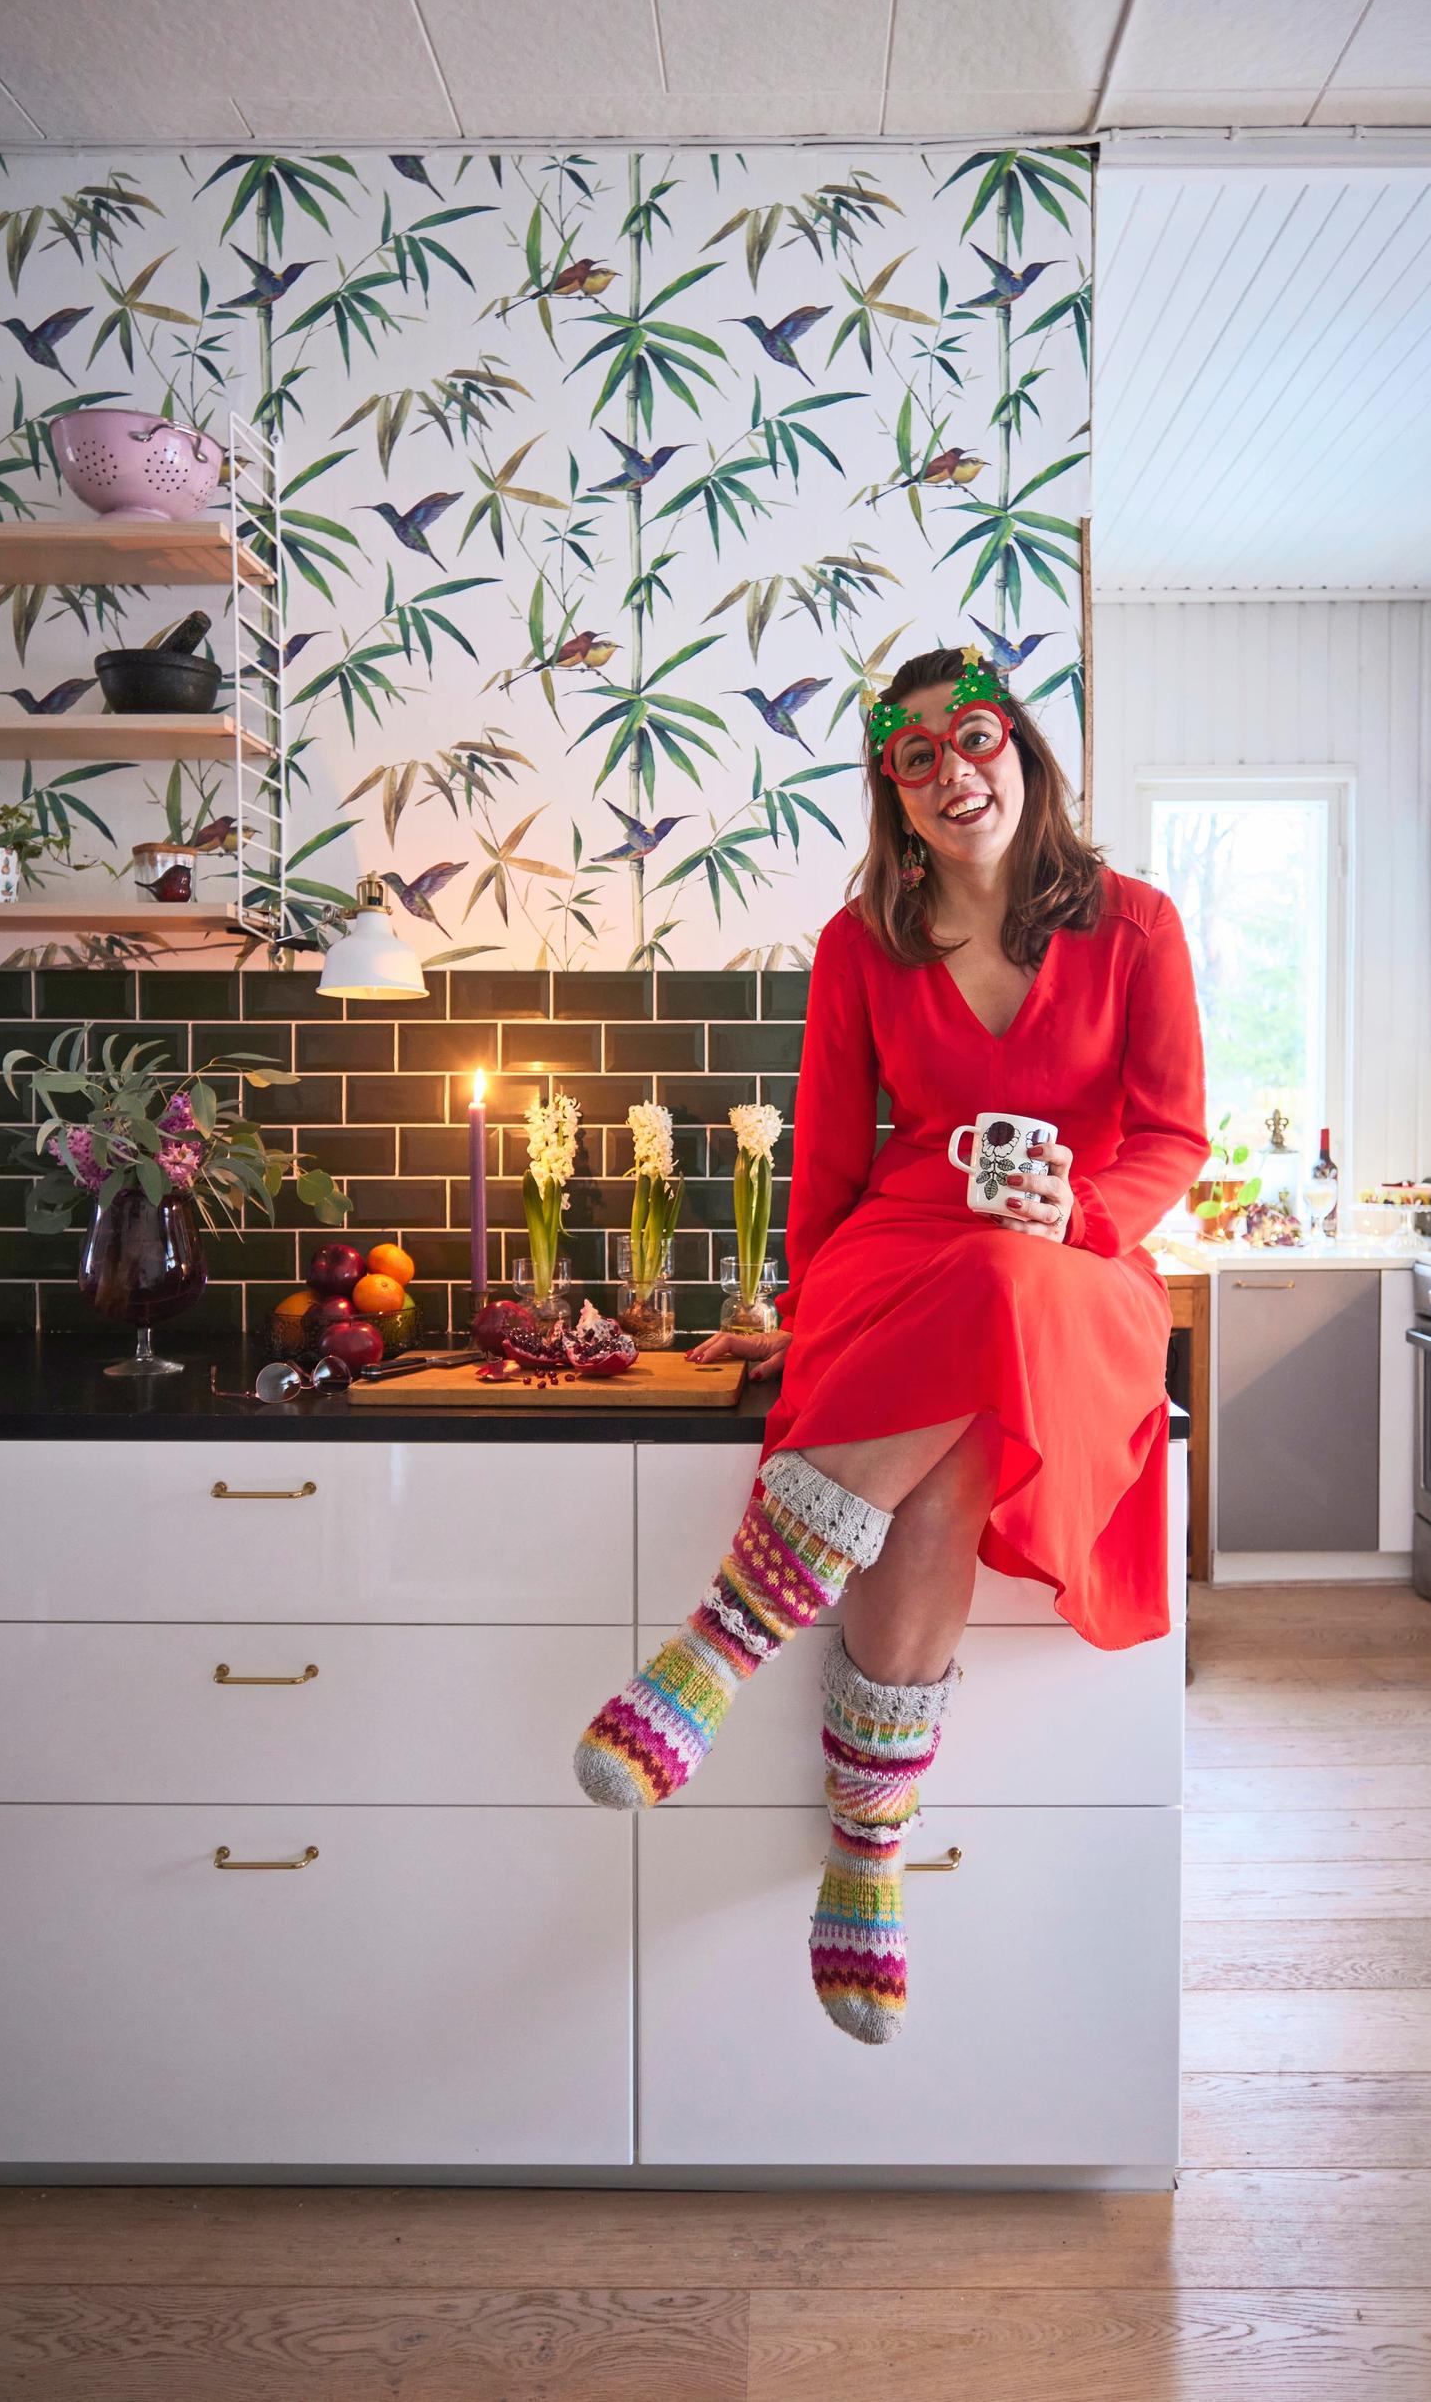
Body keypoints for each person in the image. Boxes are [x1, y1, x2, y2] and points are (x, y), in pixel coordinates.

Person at [574, 644, 1209, 2046]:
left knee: (1006, 1288)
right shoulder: (859, 944)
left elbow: (1171, 1137)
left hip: (1076, 1261)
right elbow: (822, 1165)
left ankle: (722, 1644)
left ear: (1021, 754)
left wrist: (1082, 1208)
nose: (949, 770)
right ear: (892, 794)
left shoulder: (1140, 926)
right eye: (911, 756)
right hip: (899, 1253)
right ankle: (870, 1842)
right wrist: (799, 1318)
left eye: (970, 737)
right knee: (954, 1432)